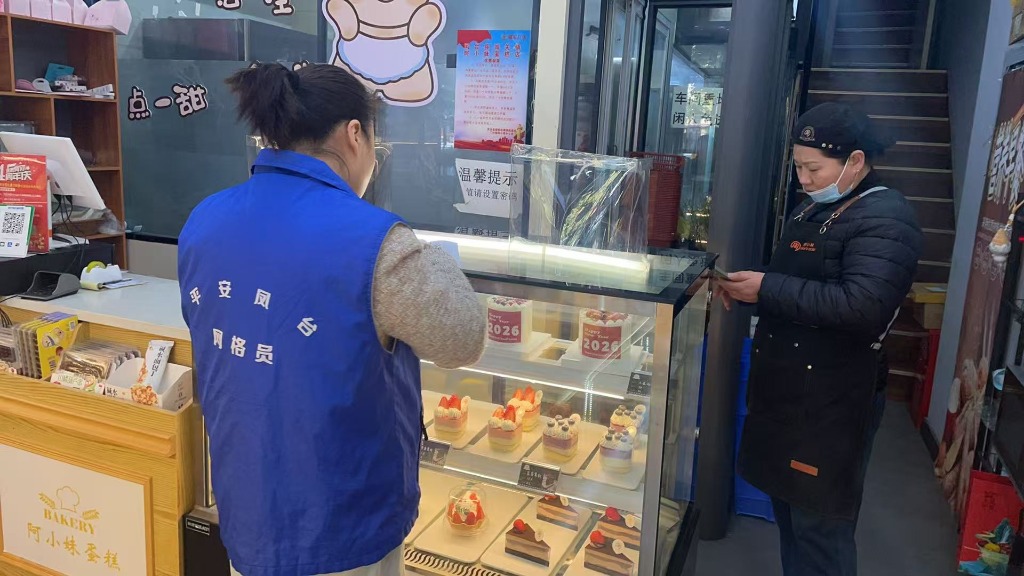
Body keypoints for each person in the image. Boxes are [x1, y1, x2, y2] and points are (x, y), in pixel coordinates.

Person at [177, 63, 487, 576]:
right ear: (354, 134)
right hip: (344, 525)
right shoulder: (375, 241)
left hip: (246, 508)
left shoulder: (204, 219)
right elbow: (463, 337)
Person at [717, 102, 922, 576]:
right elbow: (802, 284)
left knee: (819, 526)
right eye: (798, 167)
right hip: (790, 389)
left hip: (833, 398)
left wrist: (768, 288)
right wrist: (751, 287)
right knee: (790, 513)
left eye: (814, 168)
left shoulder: (888, 217)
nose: (804, 180)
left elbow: (863, 306)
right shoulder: (816, 206)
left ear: (855, 161)